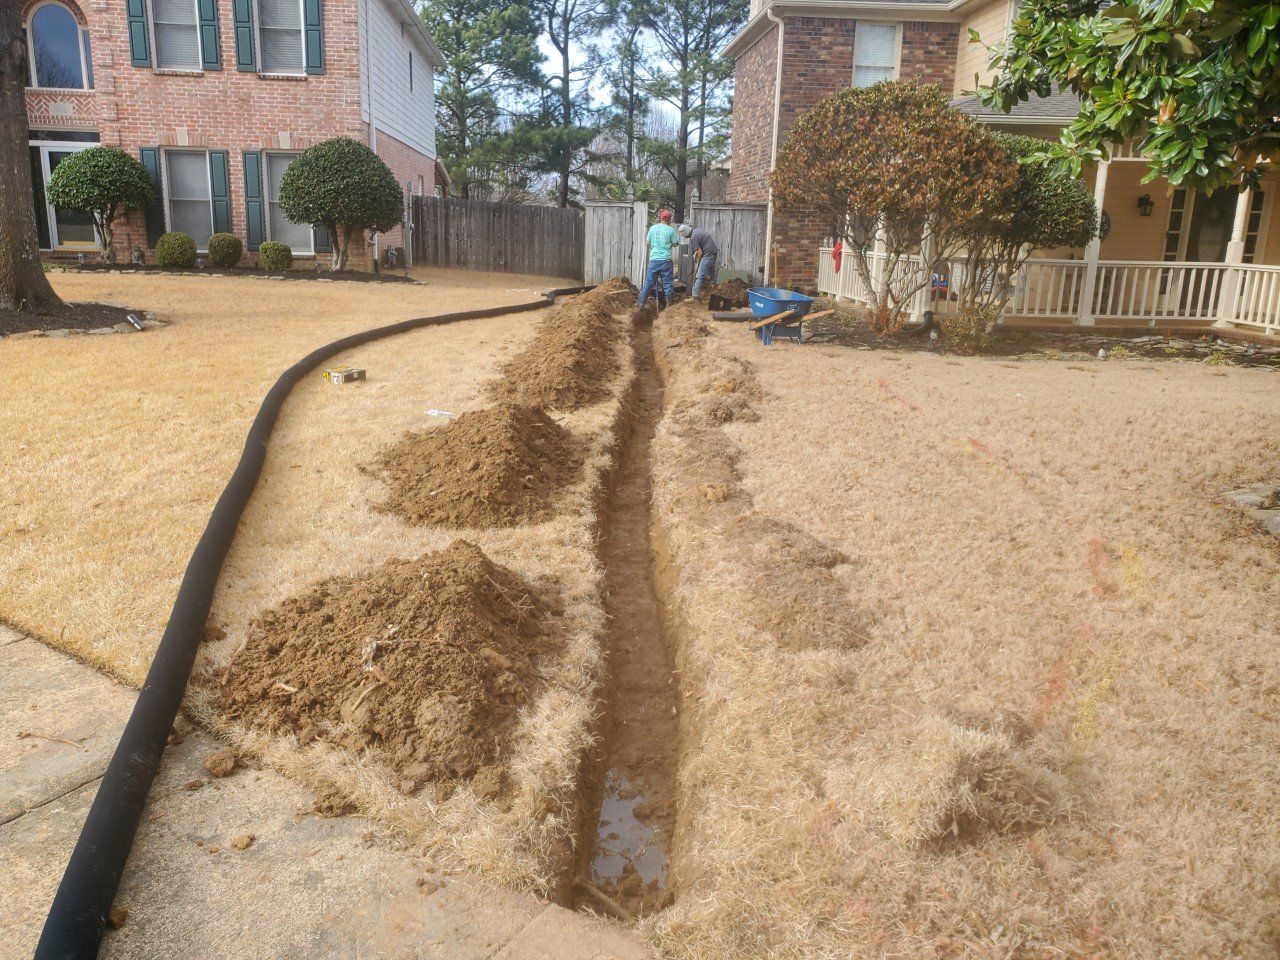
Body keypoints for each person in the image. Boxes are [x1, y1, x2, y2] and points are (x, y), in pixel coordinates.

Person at [637, 208, 679, 308]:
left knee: (648, 283)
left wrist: (653, 248)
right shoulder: (671, 230)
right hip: (666, 261)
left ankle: (640, 304)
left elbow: (647, 242)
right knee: (667, 283)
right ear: (669, 219)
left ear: (660, 218)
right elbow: (675, 244)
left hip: (654, 260)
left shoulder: (652, 228)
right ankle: (669, 306)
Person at [678, 222, 720, 297]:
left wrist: (698, 262)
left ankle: (695, 296)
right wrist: (696, 255)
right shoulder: (698, 230)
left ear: (686, 234)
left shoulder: (693, 237)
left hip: (707, 256)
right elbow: (700, 249)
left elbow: (700, 253)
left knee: (699, 275)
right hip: (714, 254)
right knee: (712, 275)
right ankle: (715, 291)